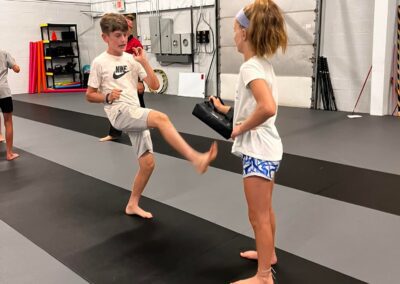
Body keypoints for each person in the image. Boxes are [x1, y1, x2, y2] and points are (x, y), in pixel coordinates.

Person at [86, 13, 217, 218]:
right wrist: (107, 97)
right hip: (119, 112)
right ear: (105, 38)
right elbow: (90, 95)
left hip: (134, 110)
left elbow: (155, 86)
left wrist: (144, 62)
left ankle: (132, 204)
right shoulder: (99, 63)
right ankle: (196, 158)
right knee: (161, 118)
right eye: (118, 35)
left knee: (148, 164)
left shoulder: (132, 59)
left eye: (126, 35)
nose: (123, 40)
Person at [214, 1, 287, 283]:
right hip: (268, 148)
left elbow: (267, 107)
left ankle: (264, 276)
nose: (233, 35)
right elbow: (254, 105)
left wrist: (240, 127)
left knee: (258, 216)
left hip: (258, 150)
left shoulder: (249, 68)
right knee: (265, 211)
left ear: (244, 33)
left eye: (234, 29)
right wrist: (225, 111)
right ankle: (268, 255)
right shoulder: (261, 64)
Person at [100, 14, 146, 142]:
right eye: (127, 26)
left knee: (139, 104)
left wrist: (140, 82)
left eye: (131, 27)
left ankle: (143, 128)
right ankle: (114, 133)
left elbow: (140, 64)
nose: (128, 29)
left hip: (133, 81)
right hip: (119, 80)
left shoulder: (135, 43)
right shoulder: (117, 41)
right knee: (117, 106)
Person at [0, 49, 20, 160]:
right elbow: (17, 70)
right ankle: (9, 154)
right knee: (8, 122)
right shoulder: (4, 53)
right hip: (4, 91)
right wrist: (15, 63)